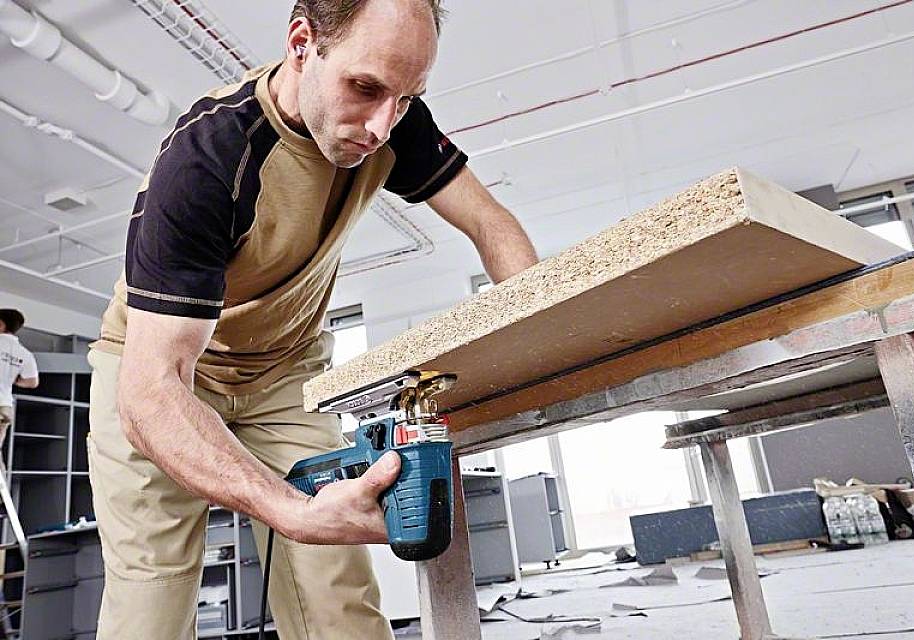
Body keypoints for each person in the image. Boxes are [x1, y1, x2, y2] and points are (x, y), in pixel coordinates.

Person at [87, 0, 538, 638]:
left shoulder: (391, 115)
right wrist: (291, 512)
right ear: (303, 41)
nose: (384, 124)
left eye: (407, 98)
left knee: (338, 589)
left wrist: (542, 338)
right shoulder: (206, 161)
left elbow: (489, 220)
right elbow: (150, 390)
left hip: (282, 374)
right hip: (159, 373)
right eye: (365, 88)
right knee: (151, 599)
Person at [0, 309, 39, 451]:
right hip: (5, 406)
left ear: (1, 324)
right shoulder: (25, 354)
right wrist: (14, 380)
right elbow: (32, 382)